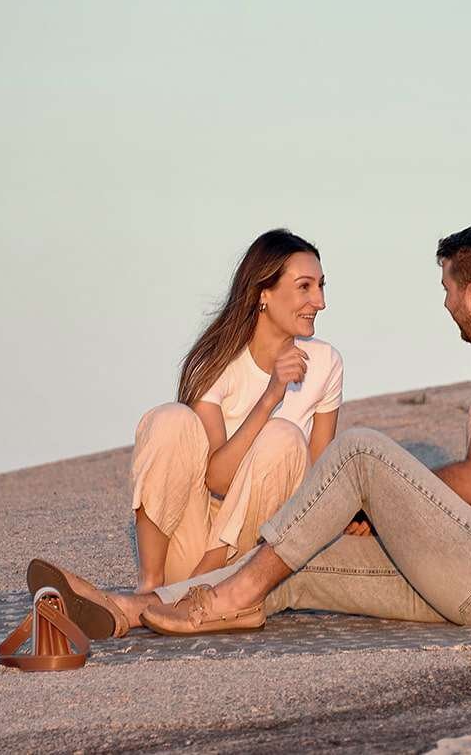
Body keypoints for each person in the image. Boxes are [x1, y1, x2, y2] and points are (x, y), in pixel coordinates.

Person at [28, 222, 471, 639]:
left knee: (360, 452)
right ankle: (127, 608)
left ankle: (234, 594)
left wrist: (383, 499)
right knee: (295, 572)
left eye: (450, 289)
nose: (448, 303)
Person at [129, 228, 344, 594]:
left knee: (284, 438)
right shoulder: (218, 364)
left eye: (322, 286)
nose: (320, 302)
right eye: (305, 287)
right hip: (193, 542)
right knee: (169, 419)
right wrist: (270, 397)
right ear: (263, 293)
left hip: (255, 555)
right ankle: (152, 586)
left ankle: (202, 587)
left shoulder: (326, 362)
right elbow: (217, 480)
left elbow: (318, 481)